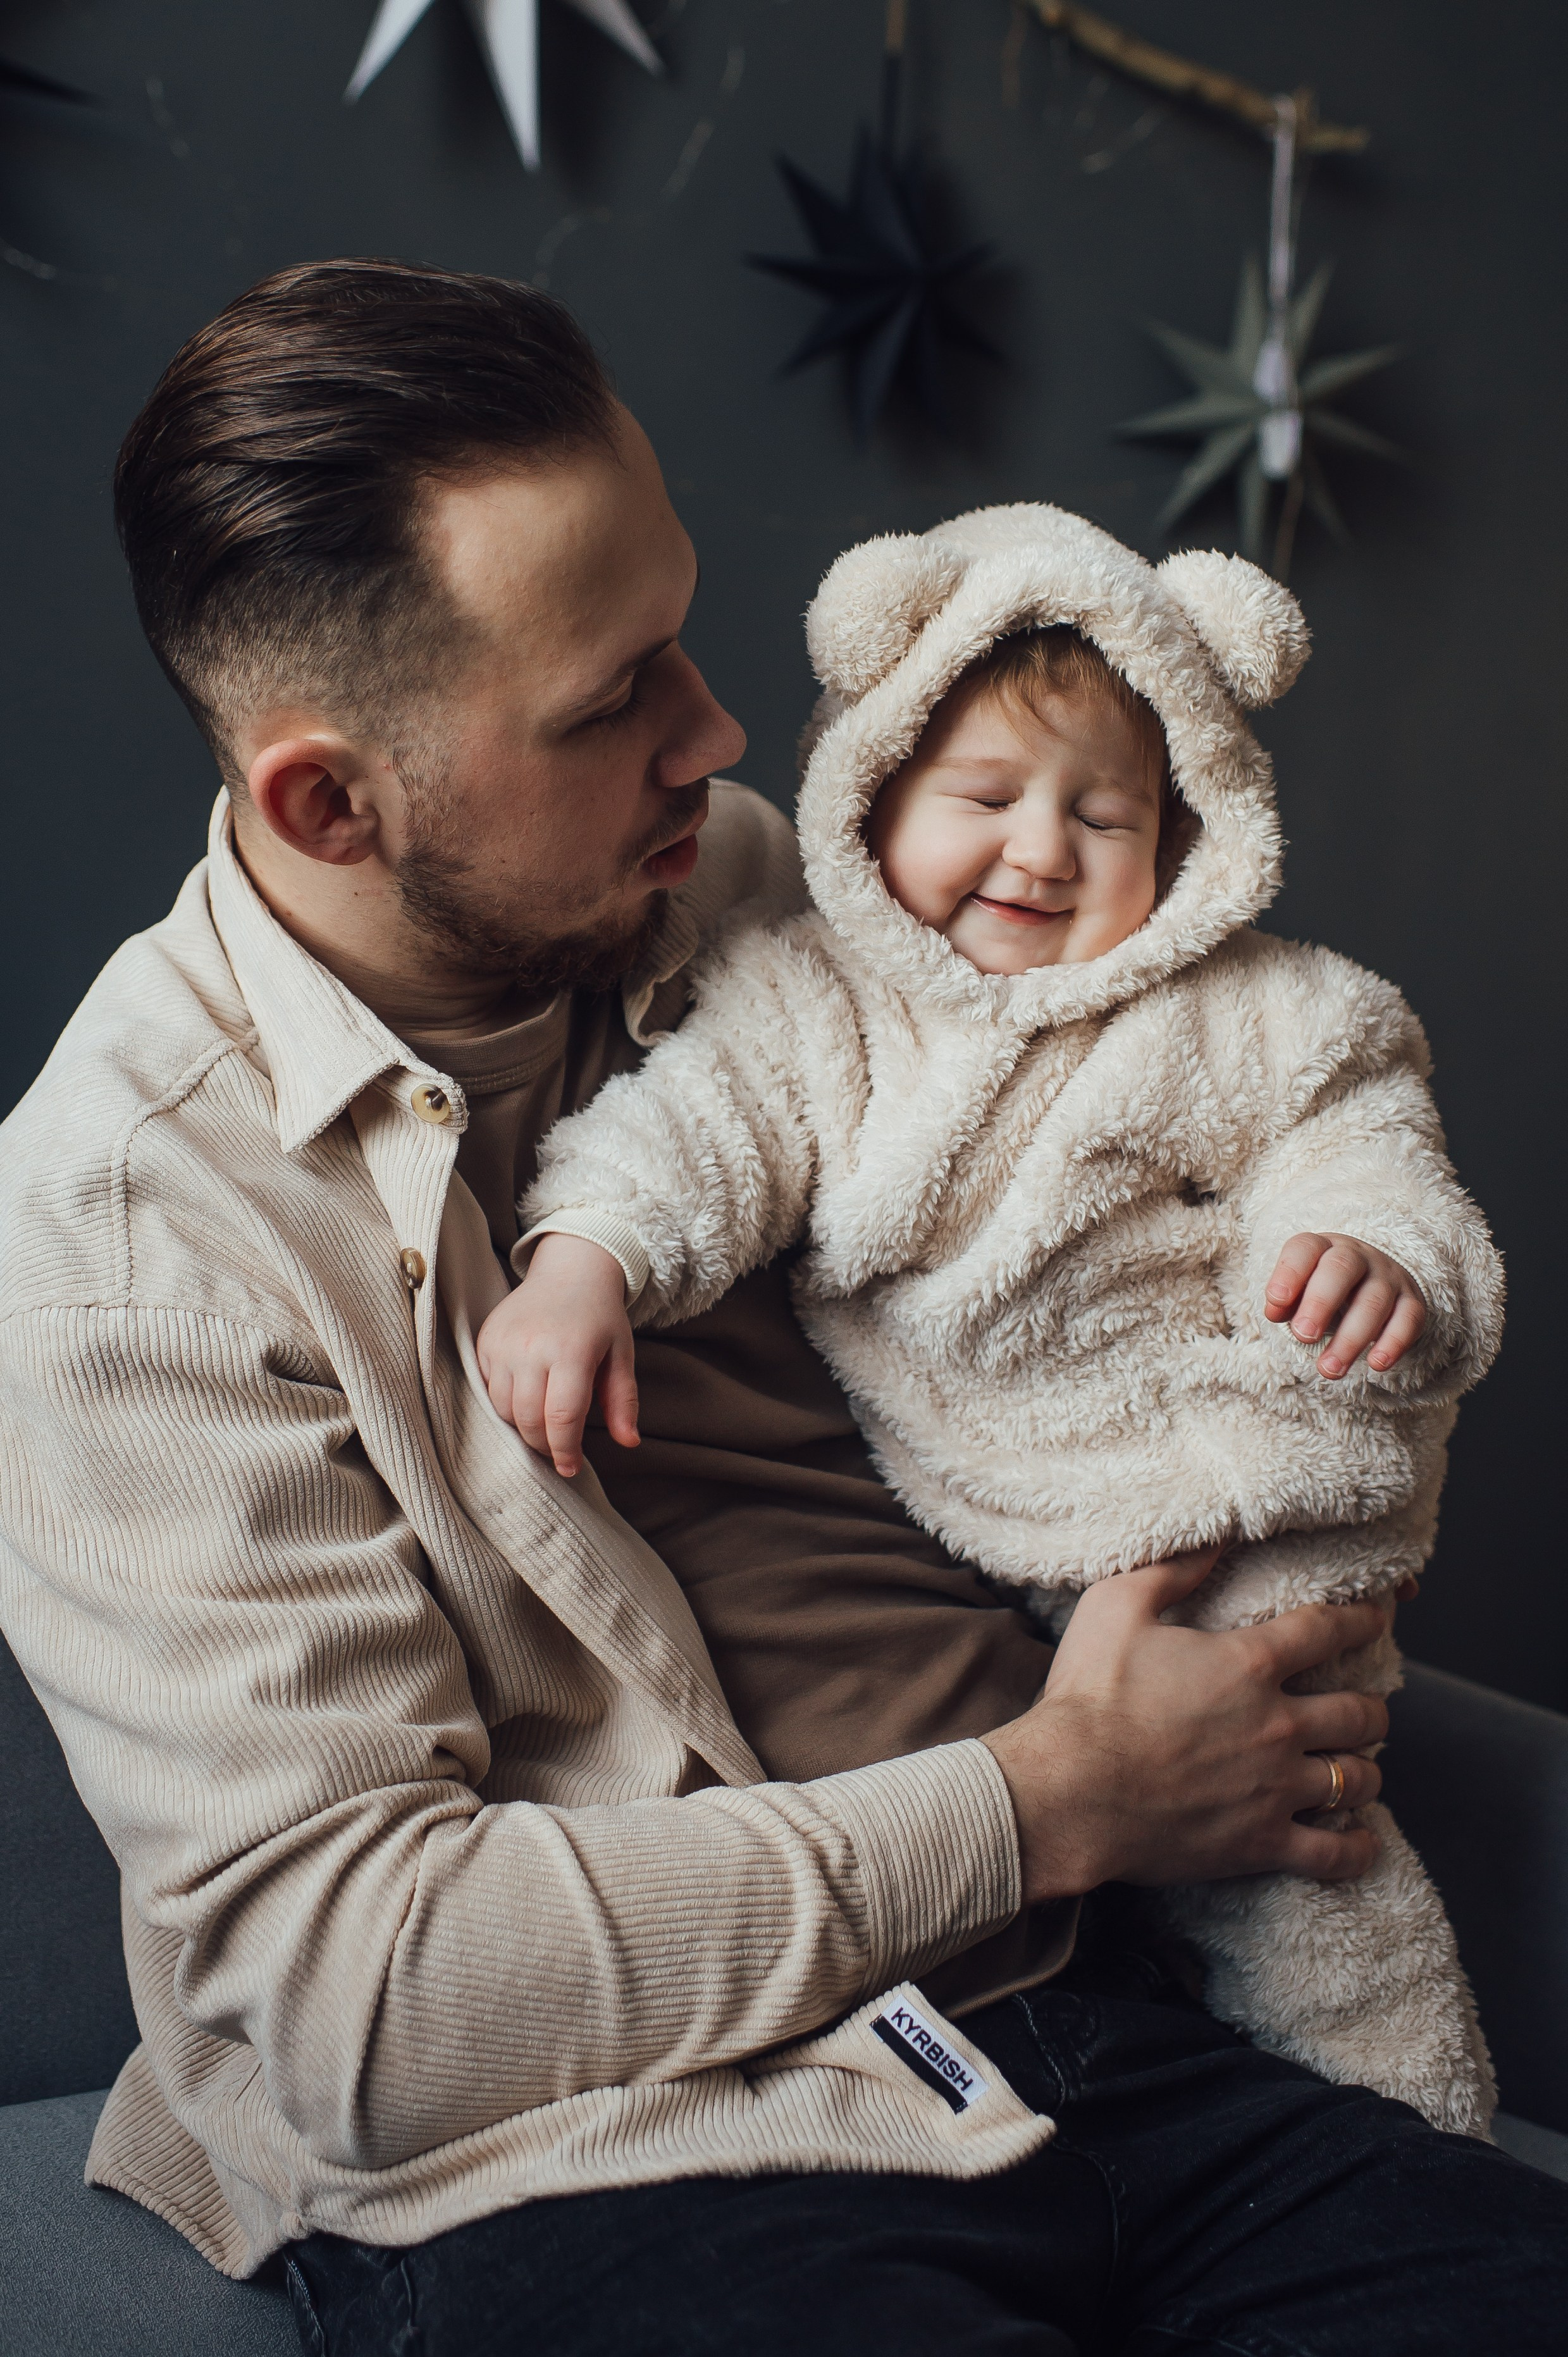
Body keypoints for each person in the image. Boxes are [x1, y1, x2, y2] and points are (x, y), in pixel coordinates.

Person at [0, 259, 1559, 2356]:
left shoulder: (768, 889)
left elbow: (1203, 1134)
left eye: (683, 635)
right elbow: (365, 2008)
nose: (720, 735)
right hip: (616, 2154)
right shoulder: (118, 1229)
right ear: (327, 805)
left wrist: (1274, 1543)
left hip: (1101, 2019)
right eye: (610, 694)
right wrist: (1070, 1794)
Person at [483, 504, 1502, 2137]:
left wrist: (1373, 1255)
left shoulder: (1260, 1010)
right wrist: (585, 1259)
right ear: (871, 788)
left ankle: (1402, 2130)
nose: (1041, 852)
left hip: (1232, 1491)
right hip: (975, 1511)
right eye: (984, 798)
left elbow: (1364, 1142)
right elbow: (695, 1135)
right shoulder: (808, 999)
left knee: (1304, 1864)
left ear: (1196, 840)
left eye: (1108, 815)